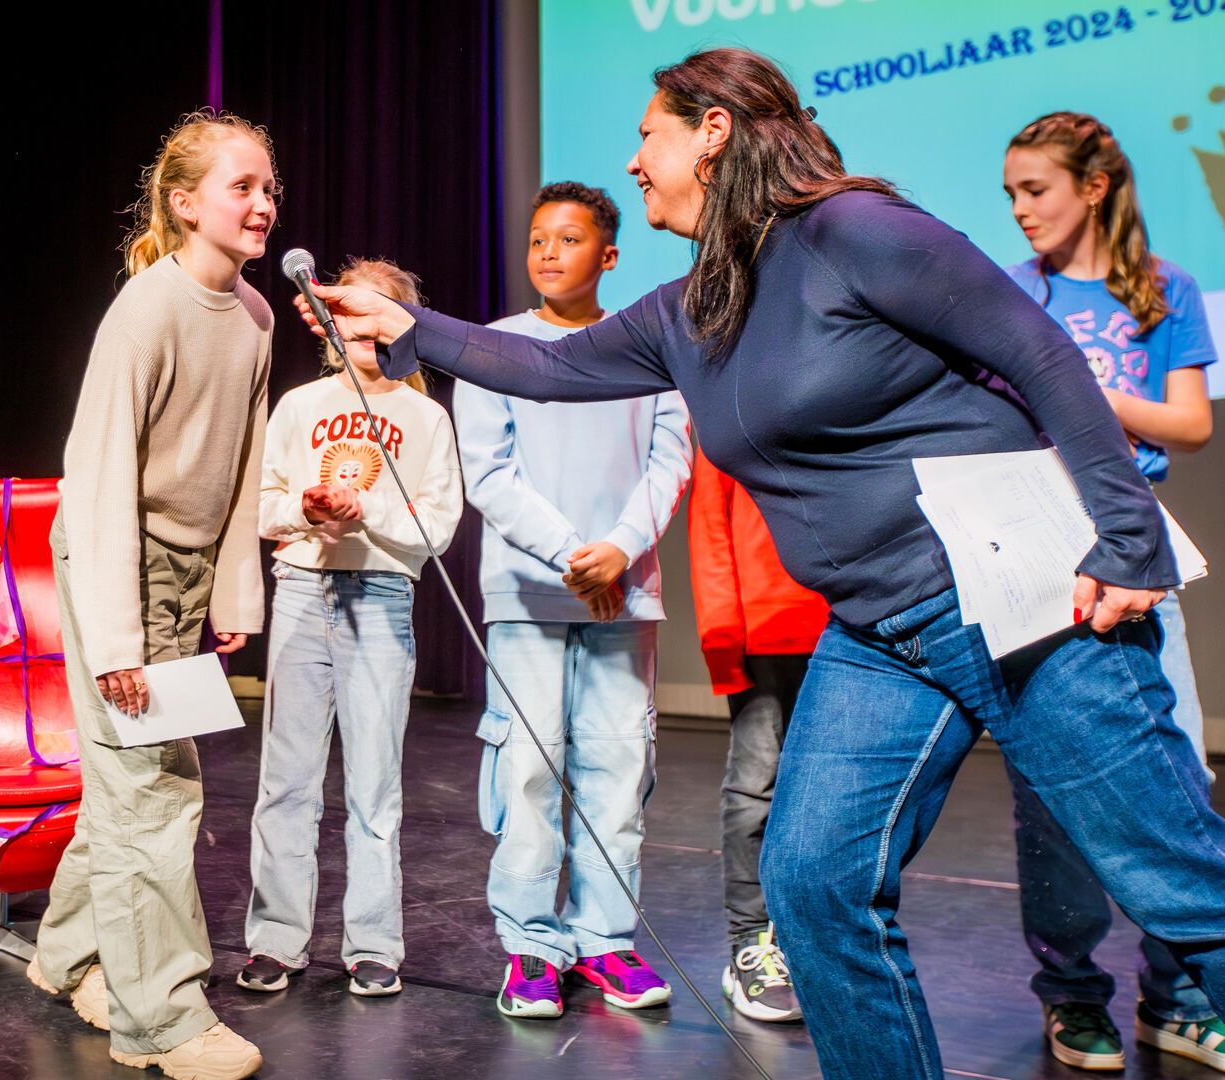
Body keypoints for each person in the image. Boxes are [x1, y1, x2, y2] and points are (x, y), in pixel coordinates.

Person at [293, 47, 1225, 1080]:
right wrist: (405, 325)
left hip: (1018, 595)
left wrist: (1126, 535)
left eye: (647, 134)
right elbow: (549, 367)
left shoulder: (853, 230)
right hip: (879, 632)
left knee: (1179, 885)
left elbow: (1038, 354)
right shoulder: (692, 303)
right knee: (814, 885)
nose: (633, 162)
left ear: (713, 130)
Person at [25, 111, 275, 1080]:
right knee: (154, 794)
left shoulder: (252, 317)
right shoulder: (146, 308)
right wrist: (119, 638)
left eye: (269, 189)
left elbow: (242, 468)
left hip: (179, 577)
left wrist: (231, 590)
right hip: (112, 566)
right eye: (240, 188)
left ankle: (68, 956)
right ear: (184, 204)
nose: (260, 205)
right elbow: (96, 478)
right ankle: (160, 1019)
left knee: (126, 790)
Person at [1001, 110, 1221, 1073]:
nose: (1018, 210)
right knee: (1049, 793)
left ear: (1091, 188)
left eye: (1034, 190)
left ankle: (1173, 997)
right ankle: (1072, 994)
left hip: (1141, 558)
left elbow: (1189, 423)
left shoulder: (1163, 288)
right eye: (1008, 193)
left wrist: (1083, 393)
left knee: (1174, 784)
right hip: (1042, 560)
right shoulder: (1009, 296)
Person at [453, 181, 690, 1018]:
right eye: (537, 239)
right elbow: (488, 472)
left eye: (570, 238)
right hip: (526, 595)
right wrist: (570, 555)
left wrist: (619, 552)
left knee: (619, 769)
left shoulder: (650, 348)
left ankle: (605, 940)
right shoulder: (490, 348)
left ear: (609, 255)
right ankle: (529, 947)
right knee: (527, 770)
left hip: (623, 597)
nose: (550, 252)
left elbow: (670, 461)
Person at [239, 259, 463, 1000]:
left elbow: (436, 528)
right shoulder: (301, 406)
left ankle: (372, 944)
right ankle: (276, 940)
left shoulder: (425, 418)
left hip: (381, 597)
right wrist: (305, 509)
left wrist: (367, 512)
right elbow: (263, 503)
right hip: (303, 587)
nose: (361, 332)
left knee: (374, 782)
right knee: (287, 781)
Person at [686, 448, 828, 1024]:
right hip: (766, 627)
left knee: (837, 800)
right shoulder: (734, 384)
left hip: (853, 626)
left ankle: (818, 946)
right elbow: (710, 524)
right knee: (755, 790)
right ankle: (753, 945)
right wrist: (723, 637)